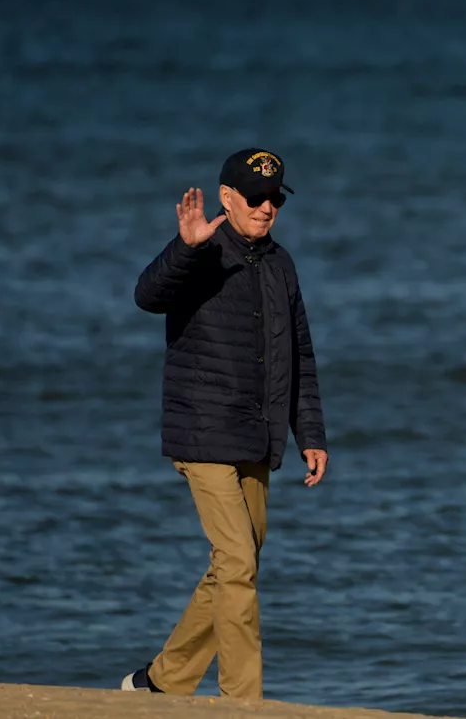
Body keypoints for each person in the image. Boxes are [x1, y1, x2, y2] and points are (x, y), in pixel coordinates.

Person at [120, 148, 328, 701]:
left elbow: (300, 353)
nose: (265, 208)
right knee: (237, 561)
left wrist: (309, 432)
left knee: (236, 565)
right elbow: (147, 295)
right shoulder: (201, 252)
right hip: (203, 429)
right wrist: (183, 249)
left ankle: (160, 682)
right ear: (227, 198)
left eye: (274, 200)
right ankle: (243, 703)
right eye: (255, 198)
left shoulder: (282, 264)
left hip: (257, 435)